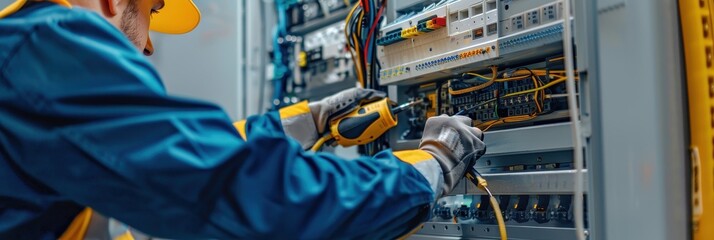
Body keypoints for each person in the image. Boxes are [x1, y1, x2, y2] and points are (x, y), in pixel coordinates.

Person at [0, 0, 486, 239]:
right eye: (148, 11)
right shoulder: (48, 52)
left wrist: (302, 122)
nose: (148, 45)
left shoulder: (22, 54)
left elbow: (180, 156)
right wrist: (426, 169)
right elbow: (246, 193)